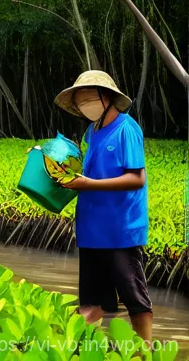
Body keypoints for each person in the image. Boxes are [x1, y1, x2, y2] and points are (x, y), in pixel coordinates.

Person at [54, 70, 152, 342]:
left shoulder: (126, 129)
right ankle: (80, 349)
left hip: (120, 229)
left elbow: (136, 178)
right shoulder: (92, 131)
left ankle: (146, 352)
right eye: (80, 100)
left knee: (135, 298)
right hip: (91, 229)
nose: (84, 105)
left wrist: (88, 185)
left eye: (88, 98)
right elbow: (89, 173)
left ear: (106, 97)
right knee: (91, 303)